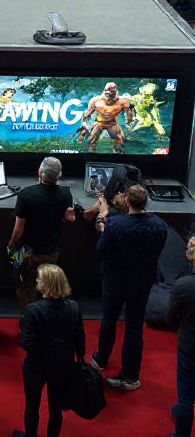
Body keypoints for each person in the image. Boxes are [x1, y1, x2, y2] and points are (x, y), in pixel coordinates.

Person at [91, 183, 169, 390]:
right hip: (142, 284)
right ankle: (131, 376)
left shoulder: (116, 225)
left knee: (109, 321)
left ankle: (100, 360)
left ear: (126, 201)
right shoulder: (160, 225)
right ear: (146, 202)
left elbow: (101, 250)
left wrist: (101, 221)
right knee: (135, 329)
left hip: (115, 282)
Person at [12, 264, 85, 437]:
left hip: (36, 366)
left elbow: (27, 343)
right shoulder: (74, 307)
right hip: (62, 365)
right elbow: (80, 339)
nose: (37, 280)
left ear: (47, 284)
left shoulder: (33, 310)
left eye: (39, 279)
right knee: (56, 409)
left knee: (32, 405)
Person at [7, 156, 76, 312]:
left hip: (30, 254)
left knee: (27, 288)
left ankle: (28, 322)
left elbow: (18, 229)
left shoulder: (26, 195)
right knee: (49, 287)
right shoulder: (66, 194)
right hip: (52, 252)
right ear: (59, 176)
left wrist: (11, 244)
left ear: (40, 172)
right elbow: (69, 217)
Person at [169, 235, 195, 437]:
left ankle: (181, 434)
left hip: (190, 346)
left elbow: (171, 318)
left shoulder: (183, 286)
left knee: (185, 394)